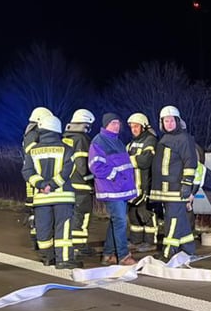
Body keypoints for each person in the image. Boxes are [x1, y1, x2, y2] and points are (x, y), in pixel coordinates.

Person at [21, 115, 82, 269]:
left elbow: (27, 171)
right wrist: (53, 184)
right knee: (63, 228)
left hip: (42, 197)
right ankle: (64, 260)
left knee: (43, 228)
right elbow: (68, 170)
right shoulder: (66, 149)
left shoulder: (32, 151)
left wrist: (42, 185)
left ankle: (48, 257)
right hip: (63, 196)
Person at [89, 113, 137, 266]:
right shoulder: (99, 141)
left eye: (117, 123)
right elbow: (95, 166)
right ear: (105, 125)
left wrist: (130, 188)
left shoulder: (118, 141)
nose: (116, 126)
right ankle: (123, 256)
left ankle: (108, 255)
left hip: (121, 189)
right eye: (113, 123)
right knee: (121, 221)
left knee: (116, 221)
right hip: (111, 189)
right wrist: (115, 175)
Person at [150, 105, 197, 260]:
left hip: (176, 188)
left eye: (171, 120)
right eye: (166, 121)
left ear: (177, 121)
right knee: (180, 219)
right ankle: (188, 248)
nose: (169, 123)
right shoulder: (164, 138)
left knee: (173, 219)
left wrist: (186, 184)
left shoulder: (184, 138)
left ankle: (169, 251)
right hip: (166, 189)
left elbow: (190, 162)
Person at [63, 108, 97, 258]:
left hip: (67, 184)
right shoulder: (82, 139)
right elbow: (83, 164)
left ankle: (70, 243)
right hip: (81, 185)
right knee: (82, 216)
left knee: (70, 215)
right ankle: (80, 245)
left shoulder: (65, 137)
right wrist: (93, 180)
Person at [126, 112, 159, 253]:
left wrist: (128, 160)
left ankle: (151, 242)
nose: (133, 129)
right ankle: (135, 240)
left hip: (146, 185)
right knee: (133, 215)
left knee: (146, 214)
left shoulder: (150, 140)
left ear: (144, 127)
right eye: (131, 127)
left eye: (136, 126)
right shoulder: (131, 143)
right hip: (133, 186)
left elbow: (145, 161)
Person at [23, 106, 53, 250]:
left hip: (33, 177)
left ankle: (37, 238)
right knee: (36, 208)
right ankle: (37, 239)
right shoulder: (33, 135)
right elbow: (34, 155)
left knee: (35, 208)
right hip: (36, 177)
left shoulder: (29, 133)